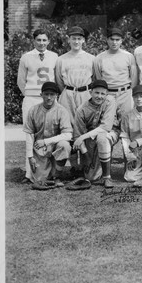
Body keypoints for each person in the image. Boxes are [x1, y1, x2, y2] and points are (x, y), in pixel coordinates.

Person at [17, 29, 58, 183]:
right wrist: (30, 94)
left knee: (51, 132)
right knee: (30, 134)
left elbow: (57, 78)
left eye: (44, 40)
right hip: (31, 97)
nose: (41, 43)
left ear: (48, 41)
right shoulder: (26, 57)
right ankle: (29, 173)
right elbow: (21, 81)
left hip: (50, 98)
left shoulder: (54, 56)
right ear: (33, 41)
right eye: (39, 40)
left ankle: (51, 171)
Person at [55, 26, 95, 176]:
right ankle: (73, 166)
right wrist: (67, 92)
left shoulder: (91, 58)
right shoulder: (61, 59)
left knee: (85, 127)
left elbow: (96, 79)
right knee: (69, 129)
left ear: (83, 40)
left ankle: (86, 164)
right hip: (68, 93)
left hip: (85, 93)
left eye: (79, 38)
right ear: (68, 40)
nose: (76, 41)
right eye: (73, 38)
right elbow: (59, 81)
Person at [72, 80, 119, 188]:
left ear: (106, 94)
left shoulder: (110, 100)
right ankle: (97, 168)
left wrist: (82, 137)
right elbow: (77, 135)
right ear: (90, 92)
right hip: (91, 137)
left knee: (102, 138)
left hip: (111, 132)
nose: (99, 96)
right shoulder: (81, 109)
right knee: (91, 177)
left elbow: (106, 127)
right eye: (97, 93)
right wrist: (86, 156)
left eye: (103, 93)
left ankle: (107, 177)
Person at [23, 82, 72, 185]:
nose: (49, 97)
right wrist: (30, 157)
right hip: (39, 150)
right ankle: (46, 172)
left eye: (52, 94)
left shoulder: (62, 111)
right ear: (41, 95)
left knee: (65, 145)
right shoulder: (33, 110)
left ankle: (57, 176)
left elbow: (68, 135)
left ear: (56, 95)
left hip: (55, 148)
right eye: (46, 94)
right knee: (40, 179)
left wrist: (45, 141)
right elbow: (29, 134)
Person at [93, 27, 138, 118]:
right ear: (107, 40)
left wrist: (131, 94)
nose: (114, 42)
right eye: (112, 39)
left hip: (125, 94)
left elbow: (134, 78)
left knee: (127, 122)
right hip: (108, 95)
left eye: (117, 40)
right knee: (108, 122)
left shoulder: (129, 56)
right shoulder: (99, 58)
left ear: (121, 41)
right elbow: (98, 79)